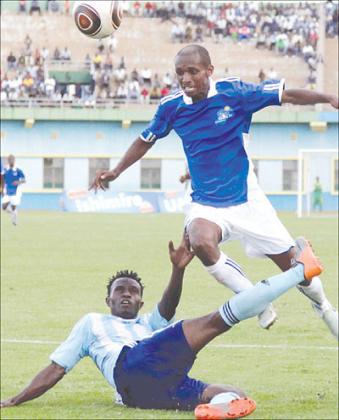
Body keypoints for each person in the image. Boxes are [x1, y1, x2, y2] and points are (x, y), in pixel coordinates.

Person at [90, 44, 339, 339]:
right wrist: (116, 171)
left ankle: (325, 308)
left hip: (248, 200)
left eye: (192, 72)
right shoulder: (171, 107)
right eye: (180, 73)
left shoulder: (233, 93)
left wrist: (328, 97)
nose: (185, 79)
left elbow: (285, 95)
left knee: (296, 268)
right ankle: (256, 298)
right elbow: (146, 139)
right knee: (200, 240)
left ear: (209, 70)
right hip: (205, 203)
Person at [0, 237, 324, 419]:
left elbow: (166, 308)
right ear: (108, 300)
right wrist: (17, 399)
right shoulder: (92, 323)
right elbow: (56, 369)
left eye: (133, 292)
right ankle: (299, 271)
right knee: (217, 320)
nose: (126, 294)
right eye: (120, 291)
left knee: (235, 396)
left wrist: (177, 270)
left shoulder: (149, 325)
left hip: (149, 391)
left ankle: (216, 409)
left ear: (141, 302)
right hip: (129, 366)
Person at [1, 155, 26, 226]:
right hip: (7, 191)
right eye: (9, 160)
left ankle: (14, 221)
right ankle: (13, 213)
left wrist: (18, 182)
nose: (11, 161)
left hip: (16, 191)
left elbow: (24, 180)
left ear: (14, 160)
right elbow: (2, 179)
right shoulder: (5, 169)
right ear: (8, 161)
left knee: (13, 207)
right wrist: (2, 190)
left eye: (12, 160)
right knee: (3, 207)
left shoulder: (18, 169)